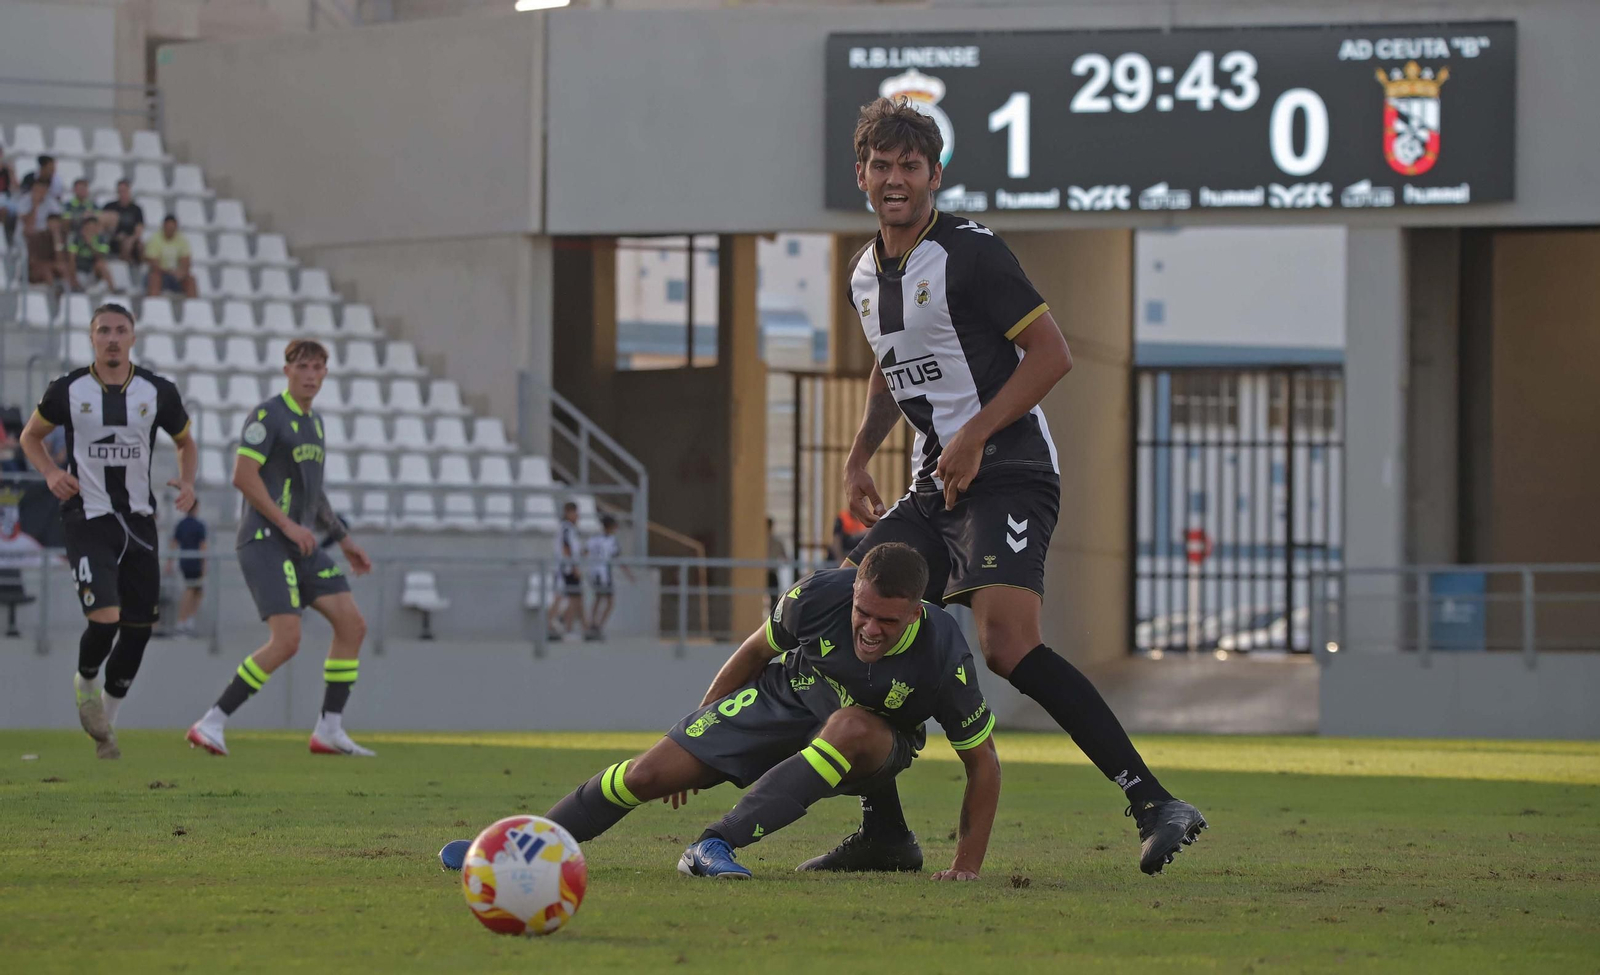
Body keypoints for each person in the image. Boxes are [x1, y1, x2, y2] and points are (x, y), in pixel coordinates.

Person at [802, 96, 1206, 877]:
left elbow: (1052, 354)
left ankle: (1154, 801)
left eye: (910, 166)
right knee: (852, 619)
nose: (894, 179)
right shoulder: (862, 274)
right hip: (935, 481)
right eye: (881, 166)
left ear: (934, 175)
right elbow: (891, 369)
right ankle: (885, 832)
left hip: (1011, 469)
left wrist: (976, 435)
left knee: (1007, 644)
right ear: (861, 175)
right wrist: (857, 457)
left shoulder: (972, 253)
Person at [442, 543, 1001, 881]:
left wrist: (966, 865)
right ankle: (524, 846)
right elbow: (754, 654)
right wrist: (700, 735)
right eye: (863, 613)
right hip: (787, 696)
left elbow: (983, 762)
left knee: (851, 725)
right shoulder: (817, 596)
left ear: (916, 613)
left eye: (888, 622)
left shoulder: (944, 656)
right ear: (853, 590)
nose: (870, 629)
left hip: (872, 745)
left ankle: (714, 844)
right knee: (647, 774)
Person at [17, 303, 198, 759]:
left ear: (133, 337)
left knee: (138, 630)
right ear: (92, 338)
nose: (112, 338)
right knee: (105, 618)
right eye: (104, 331)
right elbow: (29, 437)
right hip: (88, 517)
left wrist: (188, 480)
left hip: (139, 521)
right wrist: (51, 473)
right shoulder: (68, 389)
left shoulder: (157, 391)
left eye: (120, 330)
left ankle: (106, 727)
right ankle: (86, 680)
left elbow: (185, 441)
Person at [186, 339, 375, 757]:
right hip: (265, 541)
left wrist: (344, 539)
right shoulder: (268, 415)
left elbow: (314, 493)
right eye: (302, 367)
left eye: (317, 367)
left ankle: (329, 729)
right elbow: (242, 475)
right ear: (286, 370)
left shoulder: (315, 424)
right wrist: (288, 524)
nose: (310, 375)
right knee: (287, 639)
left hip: (299, 543)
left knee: (352, 625)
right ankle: (211, 722)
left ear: (325, 374)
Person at [583, 514, 631, 640]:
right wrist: (629, 574)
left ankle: (593, 624)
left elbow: (584, 552)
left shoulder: (593, 539)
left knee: (598, 598)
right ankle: (598, 626)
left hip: (594, 573)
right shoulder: (611, 541)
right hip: (604, 574)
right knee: (610, 602)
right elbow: (618, 558)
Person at [167, 502, 207, 637]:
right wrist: (204, 565)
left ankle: (188, 619)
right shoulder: (198, 525)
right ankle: (182, 621)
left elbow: (174, 544)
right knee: (190, 589)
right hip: (194, 562)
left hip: (185, 562)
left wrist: (170, 562)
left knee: (198, 591)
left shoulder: (182, 524)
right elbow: (203, 546)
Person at [548, 501, 584, 640]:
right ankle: (553, 627)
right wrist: (574, 567)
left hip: (567, 567)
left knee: (574, 598)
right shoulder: (566, 529)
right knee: (566, 598)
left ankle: (564, 627)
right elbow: (566, 548)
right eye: (575, 513)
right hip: (566, 569)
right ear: (568, 513)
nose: (577, 516)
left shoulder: (570, 529)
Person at [144, 215, 198, 298]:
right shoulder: (154, 239)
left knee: (190, 280)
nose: (170, 230)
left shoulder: (182, 240)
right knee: (154, 278)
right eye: (168, 227)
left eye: (172, 228)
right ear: (164, 227)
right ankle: (153, 303)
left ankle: (193, 304)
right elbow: (154, 264)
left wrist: (181, 272)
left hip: (176, 276)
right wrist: (169, 271)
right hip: (161, 275)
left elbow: (186, 261)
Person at [66, 214, 115, 293]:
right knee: (69, 263)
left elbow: (101, 257)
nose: (91, 230)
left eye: (93, 227)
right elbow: (72, 258)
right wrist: (73, 277)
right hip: (79, 271)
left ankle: (112, 289)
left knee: (101, 264)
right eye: (89, 227)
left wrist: (90, 244)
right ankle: (75, 287)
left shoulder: (101, 239)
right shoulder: (77, 238)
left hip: (93, 271)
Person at [101, 179, 145, 264]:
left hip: (130, 241)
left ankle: (138, 266)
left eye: (124, 191)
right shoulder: (109, 207)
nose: (122, 194)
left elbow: (139, 229)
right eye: (120, 191)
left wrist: (130, 239)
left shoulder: (136, 209)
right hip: (113, 240)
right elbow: (102, 226)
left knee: (139, 246)